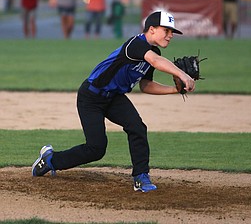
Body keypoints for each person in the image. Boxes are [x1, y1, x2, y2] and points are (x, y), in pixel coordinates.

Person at [31, 11, 195, 193]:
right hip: (91, 97)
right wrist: (181, 74)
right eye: (167, 30)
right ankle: (50, 160)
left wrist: (175, 89)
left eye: (172, 32)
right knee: (96, 149)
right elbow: (155, 61)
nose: (171, 35)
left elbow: (146, 85)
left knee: (137, 127)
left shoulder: (152, 52)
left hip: (114, 97)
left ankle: (141, 176)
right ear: (152, 29)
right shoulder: (136, 44)